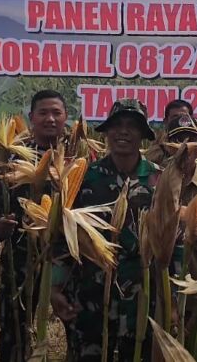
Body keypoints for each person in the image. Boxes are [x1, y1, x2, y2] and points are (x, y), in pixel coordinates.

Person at [51, 99, 171, 361]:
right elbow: (63, 236)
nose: (123, 132)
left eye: (132, 126)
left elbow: (171, 239)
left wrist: (170, 297)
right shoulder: (84, 177)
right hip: (91, 292)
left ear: (143, 134)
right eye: (117, 125)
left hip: (141, 296)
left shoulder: (159, 180)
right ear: (107, 132)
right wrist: (56, 286)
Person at [0, 89, 69, 362]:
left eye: (56, 113)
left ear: (66, 117)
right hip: (21, 254)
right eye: (43, 113)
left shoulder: (79, 156)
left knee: (77, 321)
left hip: (68, 256)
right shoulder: (10, 158)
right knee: (14, 323)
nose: (50, 119)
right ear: (31, 117)